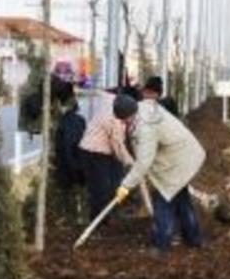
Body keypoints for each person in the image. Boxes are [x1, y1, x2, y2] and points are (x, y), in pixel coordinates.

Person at [113, 95, 206, 254]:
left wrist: (125, 185)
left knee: (162, 201)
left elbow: (143, 162)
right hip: (180, 155)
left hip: (178, 160)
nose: (123, 123)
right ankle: (193, 239)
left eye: (124, 120)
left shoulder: (146, 128)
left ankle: (161, 245)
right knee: (181, 198)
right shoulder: (141, 108)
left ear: (130, 114)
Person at [79, 92, 135, 221]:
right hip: (94, 153)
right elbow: (117, 144)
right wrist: (130, 162)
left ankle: (109, 216)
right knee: (101, 189)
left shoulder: (112, 101)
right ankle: (99, 221)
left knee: (115, 183)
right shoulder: (114, 117)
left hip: (106, 152)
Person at [55, 98, 86, 224]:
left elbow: (62, 145)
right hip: (80, 159)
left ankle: (68, 216)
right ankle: (81, 216)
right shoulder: (81, 120)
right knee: (81, 190)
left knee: (66, 191)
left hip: (65, 162)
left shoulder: (61, 123)